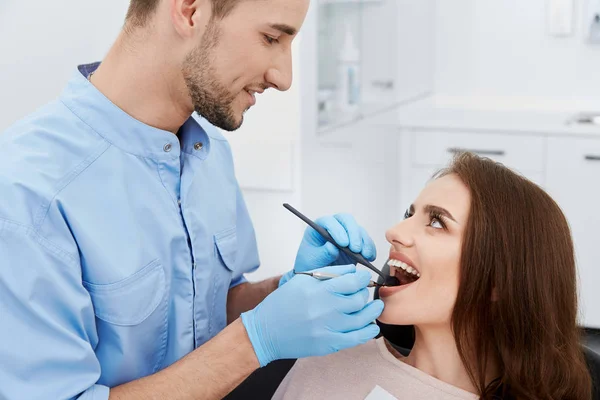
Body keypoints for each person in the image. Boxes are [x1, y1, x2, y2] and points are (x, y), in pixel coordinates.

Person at [0, 0, 385, 399]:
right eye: (271, 37)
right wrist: (256, 341)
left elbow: (210, 308)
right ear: (190, 11)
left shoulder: (208, 151)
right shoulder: (26, 196)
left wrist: (285, 291)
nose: (283, 77)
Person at [273, 152, 593, 400]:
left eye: (437, 222)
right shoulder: (328, 360)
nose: (394, 232)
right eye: (409, 215)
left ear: (498, 280)